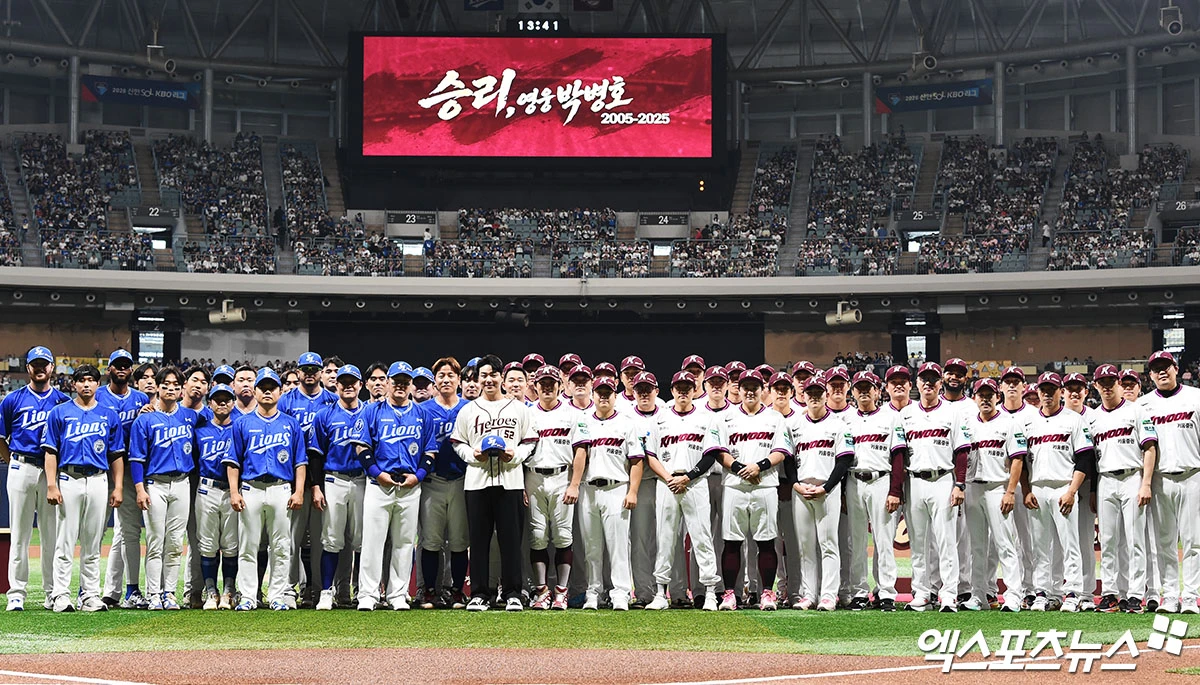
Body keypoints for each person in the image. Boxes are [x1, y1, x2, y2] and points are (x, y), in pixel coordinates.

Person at [450, 355, 538, 612]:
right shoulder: (468, 410)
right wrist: (472, 455)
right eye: (483, 375)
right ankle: (479, 593)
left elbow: (530, 441)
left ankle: (512, 593)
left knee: (511, 540)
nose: (488, 380)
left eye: (493, 375)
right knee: (478, 540)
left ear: (501, 377)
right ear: (477, 379)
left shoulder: (519, 409)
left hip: (510, 480)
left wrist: (516, 455)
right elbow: (458, 442)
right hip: (477, 481)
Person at [349, 362, 434, 611]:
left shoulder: (422, 414)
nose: (400, 385)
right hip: (379, 484)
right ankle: (368, 594)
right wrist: (377, 473)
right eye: (395, 380)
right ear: (387, 383)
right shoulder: (372, 411)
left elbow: (429, 452)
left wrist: (418, 476)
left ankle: (397, 594)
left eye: (404, 381)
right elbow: (361, 448)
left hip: (410, 484)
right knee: (373, 541)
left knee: (405, 542)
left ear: (409, 384)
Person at [41, 364, 125, 613]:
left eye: (91, 380)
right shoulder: (59, 412)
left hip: (99, 479)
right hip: (69, 478)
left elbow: (116, 454)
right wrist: (51, 484)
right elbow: (50, 452)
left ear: (98, 385)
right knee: (64, 541)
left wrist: (118, 486)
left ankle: (89, 595)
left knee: (92, 542)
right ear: (73, 384)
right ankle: (60, 595)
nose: (87, 384)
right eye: (82, 380)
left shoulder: (109, 415)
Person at [226, 368, 308, 611]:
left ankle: (277, 596)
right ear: (256, 391)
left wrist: (299, 491)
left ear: (280, 391)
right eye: (263, 387)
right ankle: (249, 596)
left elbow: (300, 462)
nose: (268, 391)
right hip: (251, 488)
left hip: (281, 489)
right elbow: (233, 462)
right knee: (248, 545)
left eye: (273, 387)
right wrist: (234, 491)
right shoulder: (242, 423)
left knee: (281, 547)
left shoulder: (291, 424)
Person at [644, 371, 722, 612]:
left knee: (702, 537)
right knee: (665, 538)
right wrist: (669, 478)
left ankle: (710, 592)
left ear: (694, 388)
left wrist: (688, 477)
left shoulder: (706, 417)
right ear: (672, 389)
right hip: (667, 482)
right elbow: (651, 455)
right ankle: (660, 593)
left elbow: (711, 454)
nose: (683, 391)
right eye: (679, 386)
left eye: (688, 386)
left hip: (695, 483)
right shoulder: (660, 418)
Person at [899, 362, 972, 612]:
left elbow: (962, 451)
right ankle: (922, 592)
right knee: (918, 543)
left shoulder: (952, 413)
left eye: (933, 379)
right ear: (917, 384)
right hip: (915, 481)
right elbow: (899, 455)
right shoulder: (906, 414)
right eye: (924, 379)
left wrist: (959, 484)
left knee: (946, 540)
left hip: (943, 479)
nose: (928, 384)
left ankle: (949, 593)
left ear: (940, 383)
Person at [3, 346, 71, 611]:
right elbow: (1, 437)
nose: (40, 368)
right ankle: (16, 592)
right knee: (19, 534)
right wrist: (13, 463)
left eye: (45, 364)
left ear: (53, 367)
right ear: (28, 368)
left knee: (50, 535)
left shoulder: (64, 401)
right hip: (22, 466)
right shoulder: (13, 399)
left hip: (51, 472)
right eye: (35, 364)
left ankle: (52, 591)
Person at [717, 369, 790, 611]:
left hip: (765, 484)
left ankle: (767, 593)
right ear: (738, 388)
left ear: (763, 390)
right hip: (735, 485)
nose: (749, 390)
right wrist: (740, 468)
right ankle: (730, 594)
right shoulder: (725, 418)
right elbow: (719, 450)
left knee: (766, 541)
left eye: (755, 386)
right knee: (731, 541)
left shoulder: (775, 418)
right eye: (745, 385)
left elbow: (782, 449)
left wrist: (759, 467)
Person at [1022, 372, 1095, 612]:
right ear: (1038, 392)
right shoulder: (1030, 423)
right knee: (1041, 546)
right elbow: (1021, 461)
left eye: (1051, 389)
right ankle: (1045, 593)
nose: (1047, 393)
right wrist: (1027, 489)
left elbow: (1084, 459)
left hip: (1063, 487)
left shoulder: (1073, 419)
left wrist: (1072, 491)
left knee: (1069, 544)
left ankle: (1072, 592)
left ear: (1059, 391)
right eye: (1043, 389)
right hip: (1038, 488)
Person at [128, 366, 200, 610]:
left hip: (182, 483)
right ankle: (153, 594)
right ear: (157, 388)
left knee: (175, 543)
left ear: (181, 390)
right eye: (166, 384)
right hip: (155, 484)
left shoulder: (190, 416)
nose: (171, 388)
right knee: (155, 541)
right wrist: (139, 489)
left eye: (176, 385)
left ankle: (169, 592)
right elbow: (136, 457)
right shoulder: (144, 419)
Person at [1089, 364, 1158, 614]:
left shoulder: (1137, 410)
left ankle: (1135, 594)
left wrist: (1146, 483)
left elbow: (1150, 448)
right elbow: (1092, 459)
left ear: (1119, 383)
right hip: (1105, 478)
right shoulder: (1092, 417)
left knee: (1135, 539)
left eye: (1110, 381)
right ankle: (1110, 593)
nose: (1107, 386)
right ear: (1095, 386)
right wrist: (1095, 492)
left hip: (1132, 477)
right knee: (1107, 540)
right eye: (1102, 382)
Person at [575, 375, 645, 610]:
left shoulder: (627, 422)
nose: (603, 396)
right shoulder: (584, 421)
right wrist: (574, 485)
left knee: (618, 546)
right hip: (589, 488)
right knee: (591, 547)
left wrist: (633, 491)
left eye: (608, 392)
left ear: (615, 396)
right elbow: (580, 456)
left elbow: (636, 461)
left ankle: (621, 593)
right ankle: (593, 591)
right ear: (593, 395)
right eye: (600, 392)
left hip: (617, 488)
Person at [1139, 351, 1200, 615]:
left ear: (1176, 369)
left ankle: (1191, 596)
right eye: (1156, 369)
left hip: (1193, 474)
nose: (1162, 372)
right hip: (1161, 479)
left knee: (1193, 542)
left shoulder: (1196, 397)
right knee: (1163, 542)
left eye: (1166, 367)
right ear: (1150, 375)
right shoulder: (1142, 405)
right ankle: (1170, 595)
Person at [788, 377, 855, 611]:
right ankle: (809, 594)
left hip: (827, 491)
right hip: (802, 491)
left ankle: (828, 595)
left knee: (828, 544)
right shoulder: (795, 425)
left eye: (818, 392)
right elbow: (788, 460)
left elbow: (844, 460)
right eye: (810, 392)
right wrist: (796, 485)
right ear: (804, 396)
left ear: (825, 394)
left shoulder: (838, 424)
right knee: (805, 546)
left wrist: (827, 487)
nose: (814, 396)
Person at [526, 365, 589, 610]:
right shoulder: (528, 413)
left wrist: (574, 484)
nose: (548, 386)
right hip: (533, 477)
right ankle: (542, 590)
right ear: (536, 386)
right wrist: (522, 484)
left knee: (563, 536)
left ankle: (561, 591)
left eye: (552, 382)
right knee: (537, 536)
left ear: (560, 385)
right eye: (543, 383)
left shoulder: (573, 414)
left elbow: (581, 451)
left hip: (562, 477)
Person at [962, 379, 1027, 613]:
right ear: (975, 398)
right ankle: (979, 595)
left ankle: (1013, 596)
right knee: (977, 547)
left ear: (997, 397)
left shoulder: (1010, 423)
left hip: (998, 487)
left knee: (1005, 544)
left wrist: (1010, 491)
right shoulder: (968, 425)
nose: (986, 399)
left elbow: (1018, 458)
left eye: (990, 394)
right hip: (973, 488)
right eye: (981, 394)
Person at [277, 352, 336, 609]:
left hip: (325, 479)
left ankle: (316, 588)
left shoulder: (333, 401)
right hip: (292, 478)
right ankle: (289, 588)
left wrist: (318, 484)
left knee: (322, 539)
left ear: (321, 372)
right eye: (305, 369)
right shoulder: (286, 401)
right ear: (298, 372)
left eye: (314, 368)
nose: (310, 372)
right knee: (291, 538)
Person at [844, 371, 906, 612]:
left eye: (868, 387)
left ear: (878, 391)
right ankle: (859, 592)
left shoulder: (891, 418)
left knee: (883, 540)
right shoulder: (847, 420)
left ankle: (887, 592)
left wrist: (895, 490)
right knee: (856, 541)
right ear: (853, 392)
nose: (863, 391)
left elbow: (898, 456)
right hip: (853, 480)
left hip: (881, 479)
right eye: (859, 387)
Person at [308, 365, 368, 611]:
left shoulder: (370, 412)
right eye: (343, 381)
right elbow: (315, 454)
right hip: (334, 479)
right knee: (331, 539)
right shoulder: (324, 414)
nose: (347, 385)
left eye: (352, 381)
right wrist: (316, 486)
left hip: (364, 480)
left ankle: (363, 591)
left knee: (363, 541)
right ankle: (325, 591)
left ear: (360, 385)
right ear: (336, 385)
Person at [95, 349, 151, 610]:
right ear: (109, 369)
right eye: (116, 365)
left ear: (131, 371)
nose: (121, 369)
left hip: (128, 469)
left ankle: (125, 590)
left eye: (126, 365)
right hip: (97, 466)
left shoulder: (141, 399)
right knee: (93, 531)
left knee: (127, 530)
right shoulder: (96, 395)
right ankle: (91, 590)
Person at [416, 357, 471, 610]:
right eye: (441, 376)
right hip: (432, 481)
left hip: (462, 480)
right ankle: (429, 591)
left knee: (460, 539)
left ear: (459, 380)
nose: (446, 379)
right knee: (431, 539)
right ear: (434, 381)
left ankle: (458, 590)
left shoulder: (470, 408)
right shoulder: (423, 409)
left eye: (451, 375)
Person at [193, 384, 239, 610]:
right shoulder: (200, 430)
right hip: (207, 489)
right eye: (217, 399)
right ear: (209, 403)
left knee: (231, 545)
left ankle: (229, 591)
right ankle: (211, 591)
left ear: (233, 402)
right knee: (208, 545)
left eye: (226, 399)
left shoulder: (239, 428)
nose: (222, 403)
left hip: (233, 491)